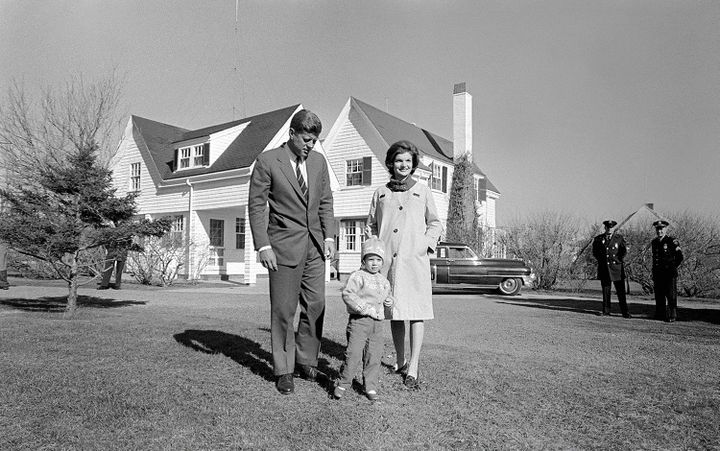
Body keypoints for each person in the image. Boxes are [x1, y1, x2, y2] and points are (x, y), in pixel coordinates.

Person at [248, 109, 336, 395]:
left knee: (315, 305)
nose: (311, 146)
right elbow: (257, 206)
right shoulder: (267, 160)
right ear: (292, 134)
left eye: (314, 141)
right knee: (284, 310)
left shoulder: (319, 162)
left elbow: (325, 201)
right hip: (282, 247)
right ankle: (284, 369)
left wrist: (330, 236)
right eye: (307, 139)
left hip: (315, 247)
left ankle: (306, 361)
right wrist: (263, 245)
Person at [367, 140, 443, 389]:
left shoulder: (422, 190)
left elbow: (435, 223)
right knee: (395, 312)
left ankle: (414, 366)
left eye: (408, 161)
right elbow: (371, 227)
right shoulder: (380, 192)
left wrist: (424, 245)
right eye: (399, 160)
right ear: (391, 162)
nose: (403, 165)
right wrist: (374, 253)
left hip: (415, 261)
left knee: (417, 312)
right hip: (389, 261)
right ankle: (400, 361)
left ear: (413, 165)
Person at [333, 237, 394, 401]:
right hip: (359, 322)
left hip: (377, 325)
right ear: (364, 260)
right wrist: (364, 308)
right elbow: (348, 294)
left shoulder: (384, 281)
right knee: (352, 354)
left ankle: (370, 386)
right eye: (371, 259)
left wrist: (390, 302)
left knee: (374, 355)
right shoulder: (357, 276)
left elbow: (386, 300)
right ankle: (343, 383)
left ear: (383, 262)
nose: (374, 263)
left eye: (378, 260)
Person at [592, 220, 630, 318]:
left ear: (614, 228)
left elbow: (623, 251)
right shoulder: (598, 239)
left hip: (617, 268)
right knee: (606, 290)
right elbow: (595, 252)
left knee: (621, 292)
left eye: (611, 227)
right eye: (608, 227)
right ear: (605, 228)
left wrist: (618, 260)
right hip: (605, 268)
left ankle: (625, 312)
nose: (609, 229)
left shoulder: (619, 238)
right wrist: (602, 261)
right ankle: (606, 311)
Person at [651, 220, 683, 322]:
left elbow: (679, 257)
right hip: (658, 273)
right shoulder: (654, 242)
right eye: (657, 229)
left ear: (666, 229)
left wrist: (672, 267)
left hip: (669, 273)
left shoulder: (672, 241)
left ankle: (672, 315)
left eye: (661, 229)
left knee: (671, 295)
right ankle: (660, 314)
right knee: (659, 294)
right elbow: (655, 258)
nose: (659, 231)